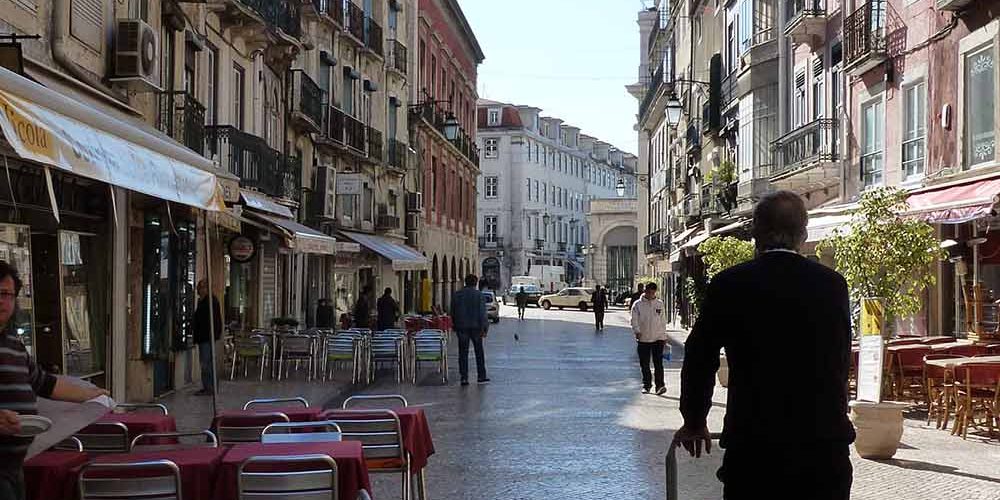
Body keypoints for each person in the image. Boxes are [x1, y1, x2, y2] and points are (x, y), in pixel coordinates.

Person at [673, 191, 855, 500]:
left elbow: (700, 355)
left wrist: (694, 419)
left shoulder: (730, 284)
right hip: (822, 449)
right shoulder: (832, 285)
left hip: (754, 448)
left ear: (755, 233)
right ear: (803, 234)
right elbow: (839, 359)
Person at [0, 261, 108, 499]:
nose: (2, 301)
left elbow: (46, 384)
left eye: (6, 294)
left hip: (14, 467)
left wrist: (91, 394)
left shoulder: (15, 347)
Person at [451, 274, 489, 386]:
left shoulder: (457, 295)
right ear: (475, 283)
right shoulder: (479, 295)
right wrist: (485, 327)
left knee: (463, 353)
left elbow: (452, 311)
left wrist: (455, 324)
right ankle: (481, 376)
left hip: (461, 327)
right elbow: (483, 313)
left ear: (465, 282)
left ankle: (464, 377)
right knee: (479, 352)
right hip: (476, 327)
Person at [630, 282, 668, 395]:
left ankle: (660, 385)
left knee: (658, 364)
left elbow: (662, 320)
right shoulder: (637, 304)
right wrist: (637, 331)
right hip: (643, 339)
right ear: (645, 291)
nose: (651, 294)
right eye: (648, 292)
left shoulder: (659, 304)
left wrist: (664, 335)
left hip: (658, 338)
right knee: (644, 364)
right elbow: (634, 319)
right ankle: (647, 385)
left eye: (653, 292)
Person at [194, 279, 223, 396]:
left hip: (207, 337)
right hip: (203, 337)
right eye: (199, 288)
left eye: (201, 288)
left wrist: (215, 334)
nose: (199, 290)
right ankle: (208, 386)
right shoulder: (202, 301)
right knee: (205, 363)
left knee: (207, 363)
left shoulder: (211, 301)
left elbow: (214, 320)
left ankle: (210, 387)